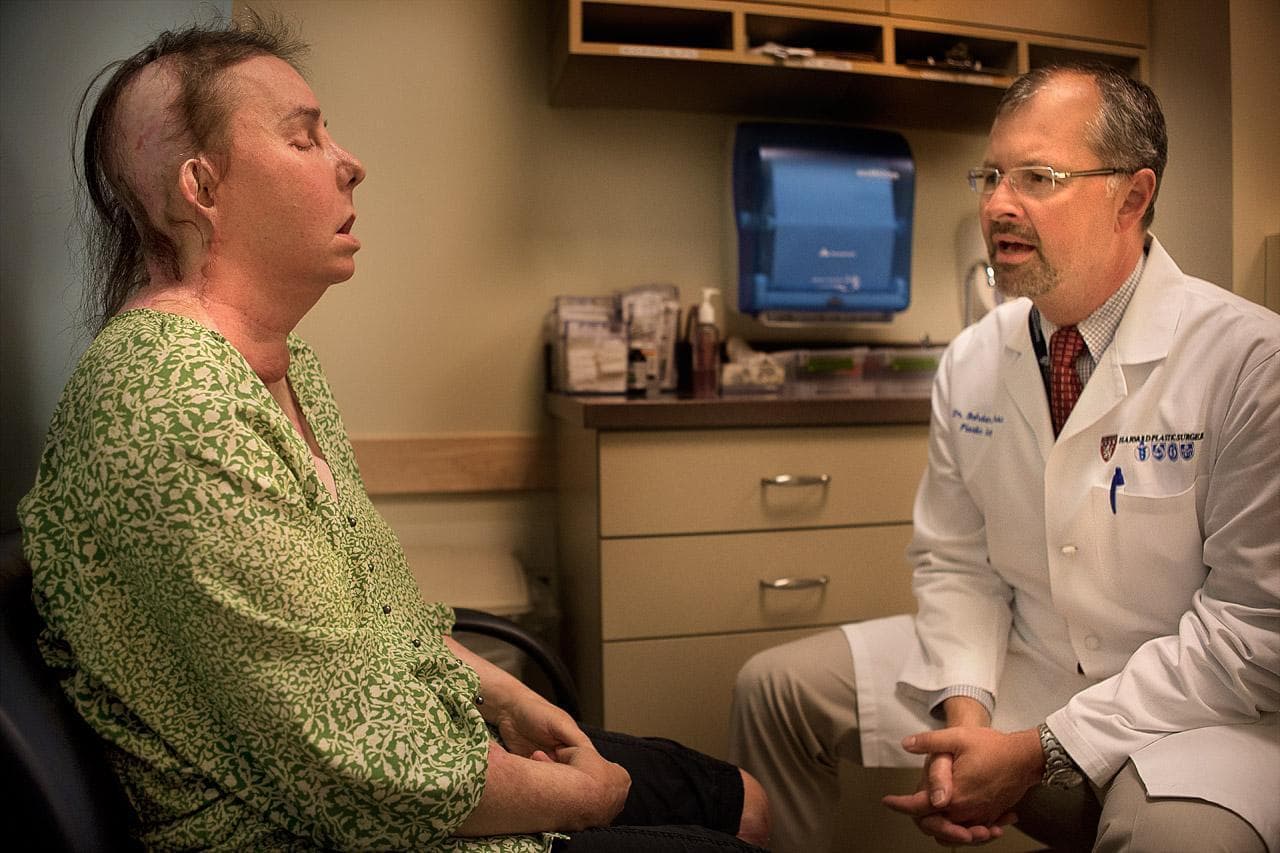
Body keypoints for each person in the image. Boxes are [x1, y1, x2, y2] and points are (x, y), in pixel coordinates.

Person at [18, 14, 769, 852]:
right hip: (321, 827)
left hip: (411, 749)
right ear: (203, 189)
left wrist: (504, 694)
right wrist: (586, 800)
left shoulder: (278, 361)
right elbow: (354, 768)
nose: (351, 162)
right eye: (305, 139)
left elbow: (376, 610)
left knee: (744, 799)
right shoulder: (176, 403)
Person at [730, 63, 1278, 853]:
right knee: (773, 689)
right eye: (990, 175)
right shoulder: (974, 359)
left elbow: (1251, 636)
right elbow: (956, 562)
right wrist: (967, 714)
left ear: (1133, 196)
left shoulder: (1252, 362)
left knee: (1179, 837)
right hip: (1024, 654)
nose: (996, 204)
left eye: (1038, 177)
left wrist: (1040, 749)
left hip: (1188, 705)